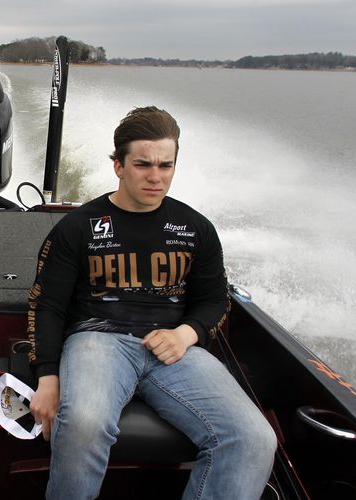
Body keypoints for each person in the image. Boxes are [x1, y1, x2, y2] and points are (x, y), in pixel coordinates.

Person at [27, 106, 277, 499]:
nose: (156, 177)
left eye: (166, 165)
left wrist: (186, 333)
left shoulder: (196, 229)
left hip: (174, 349)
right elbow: (48, 306)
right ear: (118, 166)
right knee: (84, 423)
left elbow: (215, 299)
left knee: (254, 438)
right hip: (98, 341)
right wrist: (47, 377)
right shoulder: (77, 228)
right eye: (143, 164)